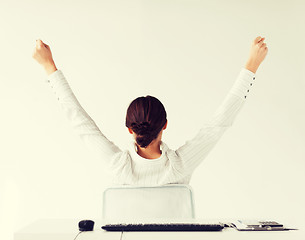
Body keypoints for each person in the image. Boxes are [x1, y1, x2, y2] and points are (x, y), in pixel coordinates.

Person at [32, 36, 268, 185]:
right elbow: (219, 123)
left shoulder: (118, 167)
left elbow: (78, 121)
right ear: (165, 124)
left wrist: (48, 66)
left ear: (129, 129)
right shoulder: (179, 166)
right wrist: (252, 65)